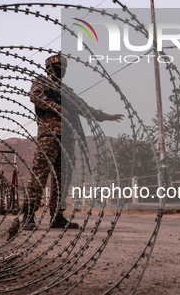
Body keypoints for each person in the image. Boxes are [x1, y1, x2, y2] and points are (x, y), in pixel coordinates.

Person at [22, 53, 123, 230]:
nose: (63, 69)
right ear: (50, 68)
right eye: (59, 66)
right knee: (40, 175)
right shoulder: (42, 82)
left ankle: (57, 216)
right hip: (49, 136)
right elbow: (35, 96)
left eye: (65, 67)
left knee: (63, 178)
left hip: (68, 139)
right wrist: (59, 108)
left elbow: (85, 108)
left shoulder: (67, 91)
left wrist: (107, 117)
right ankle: (28, 215)